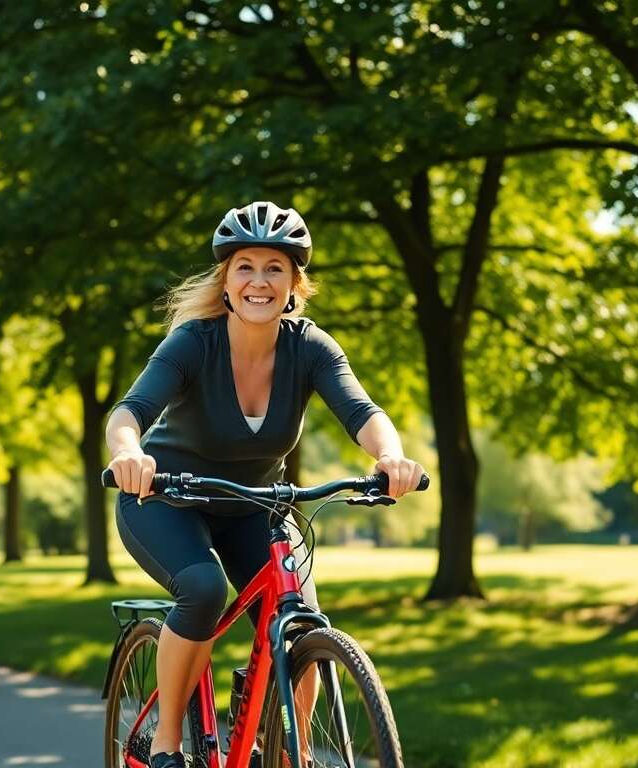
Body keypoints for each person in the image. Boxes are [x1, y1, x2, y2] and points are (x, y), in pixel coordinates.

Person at [105, 200, 425, 768]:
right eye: (245, 266)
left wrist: (392, 456)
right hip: (168, 498)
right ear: (225, 281)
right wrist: (130, 454)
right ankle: (166, 744)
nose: (259, 280)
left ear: (294, 282)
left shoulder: (311, 347)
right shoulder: (193, 343)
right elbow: (129, 412)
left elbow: (362, 412)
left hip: (258, 505)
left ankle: (287, 755)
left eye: (274, 268)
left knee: (299, 622)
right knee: (203, 589)